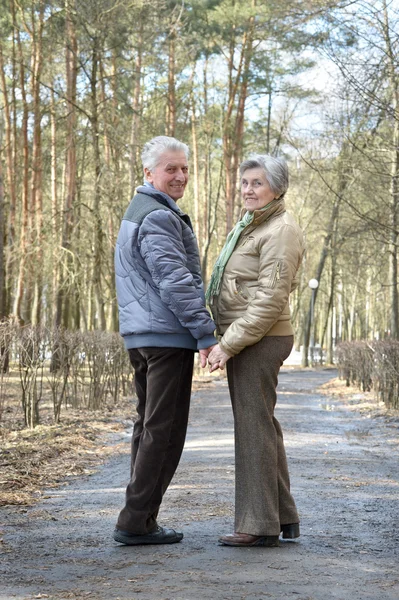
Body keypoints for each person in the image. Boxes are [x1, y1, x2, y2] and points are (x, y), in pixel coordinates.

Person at [113, 136, 216, 545]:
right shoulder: (157, 216)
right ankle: (135, 521)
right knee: (164, 431)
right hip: (166, 336)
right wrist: (204, 332)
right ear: (149, 173)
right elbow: (174, 280)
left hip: (144, 334)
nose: (180, 176)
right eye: (171, 169)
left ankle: (140, 518)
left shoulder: (139, 211)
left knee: (150, 426)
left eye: (185, 168)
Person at [206, 154, 305, 547]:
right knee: (261, 425)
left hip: (260, 339)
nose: (248, 189)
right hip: (252, 336)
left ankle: (259, 525)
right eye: (245, 182)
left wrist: (227, 345)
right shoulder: (254, 225)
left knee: (253, 429)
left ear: (277, 188)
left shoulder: (280, 230)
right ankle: (282, 516)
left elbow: (268, 300)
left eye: (257, 183)